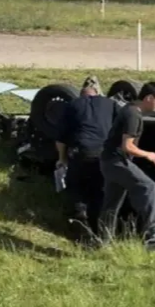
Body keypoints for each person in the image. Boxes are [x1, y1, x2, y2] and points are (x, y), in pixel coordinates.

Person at [98, 81, 155, 247]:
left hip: (108, 161)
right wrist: (149, 155)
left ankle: (103, 242)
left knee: (112, 204)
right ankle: (153, 231)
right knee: (148, 186)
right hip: (117, 161)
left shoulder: (129, 109)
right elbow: (127, 146)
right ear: (149, 98)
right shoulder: (133, 115)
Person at [55, 76, 119, 233]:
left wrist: (62, 159)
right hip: (103, 153)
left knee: (76, 185)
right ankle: (98, 228)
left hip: (80, 152)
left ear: (81, 93)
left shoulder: (72, 105)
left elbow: (61, 138)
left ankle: (79, 218)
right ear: (98, 92)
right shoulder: (111, 104)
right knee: (99, 190)